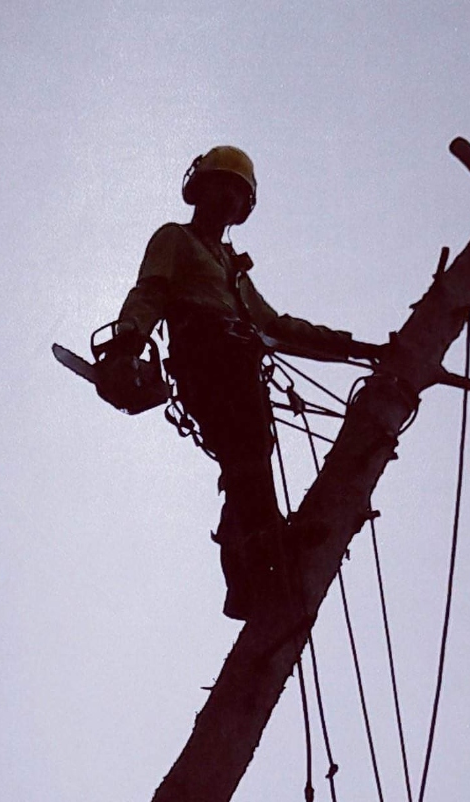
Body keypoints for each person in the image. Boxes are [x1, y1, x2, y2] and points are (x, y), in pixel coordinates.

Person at [111, 145, 378, 620]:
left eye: (238, 193)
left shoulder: (234, 270)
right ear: (201, 188)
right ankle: (261, 544)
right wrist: (126, 344)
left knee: (250, 454)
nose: (229, 200)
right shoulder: (175, 239)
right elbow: (150, 293)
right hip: (206, 360)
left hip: (240, 364)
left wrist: (354, 348)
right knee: (248, 449)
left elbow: (276, 327)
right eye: (223, 187)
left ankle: (250, 562)